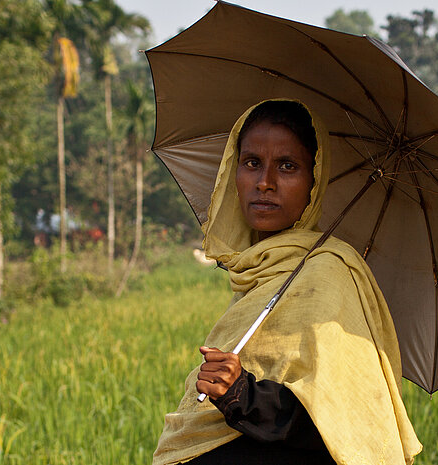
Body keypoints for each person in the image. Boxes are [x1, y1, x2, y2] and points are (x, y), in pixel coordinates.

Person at [153, 100, 422, 465]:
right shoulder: (253, 272)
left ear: (314, 182)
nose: (264, 182)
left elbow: (343, 418)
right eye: (251, 163)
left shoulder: (329, 272)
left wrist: (243, 395)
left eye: (287, 166)